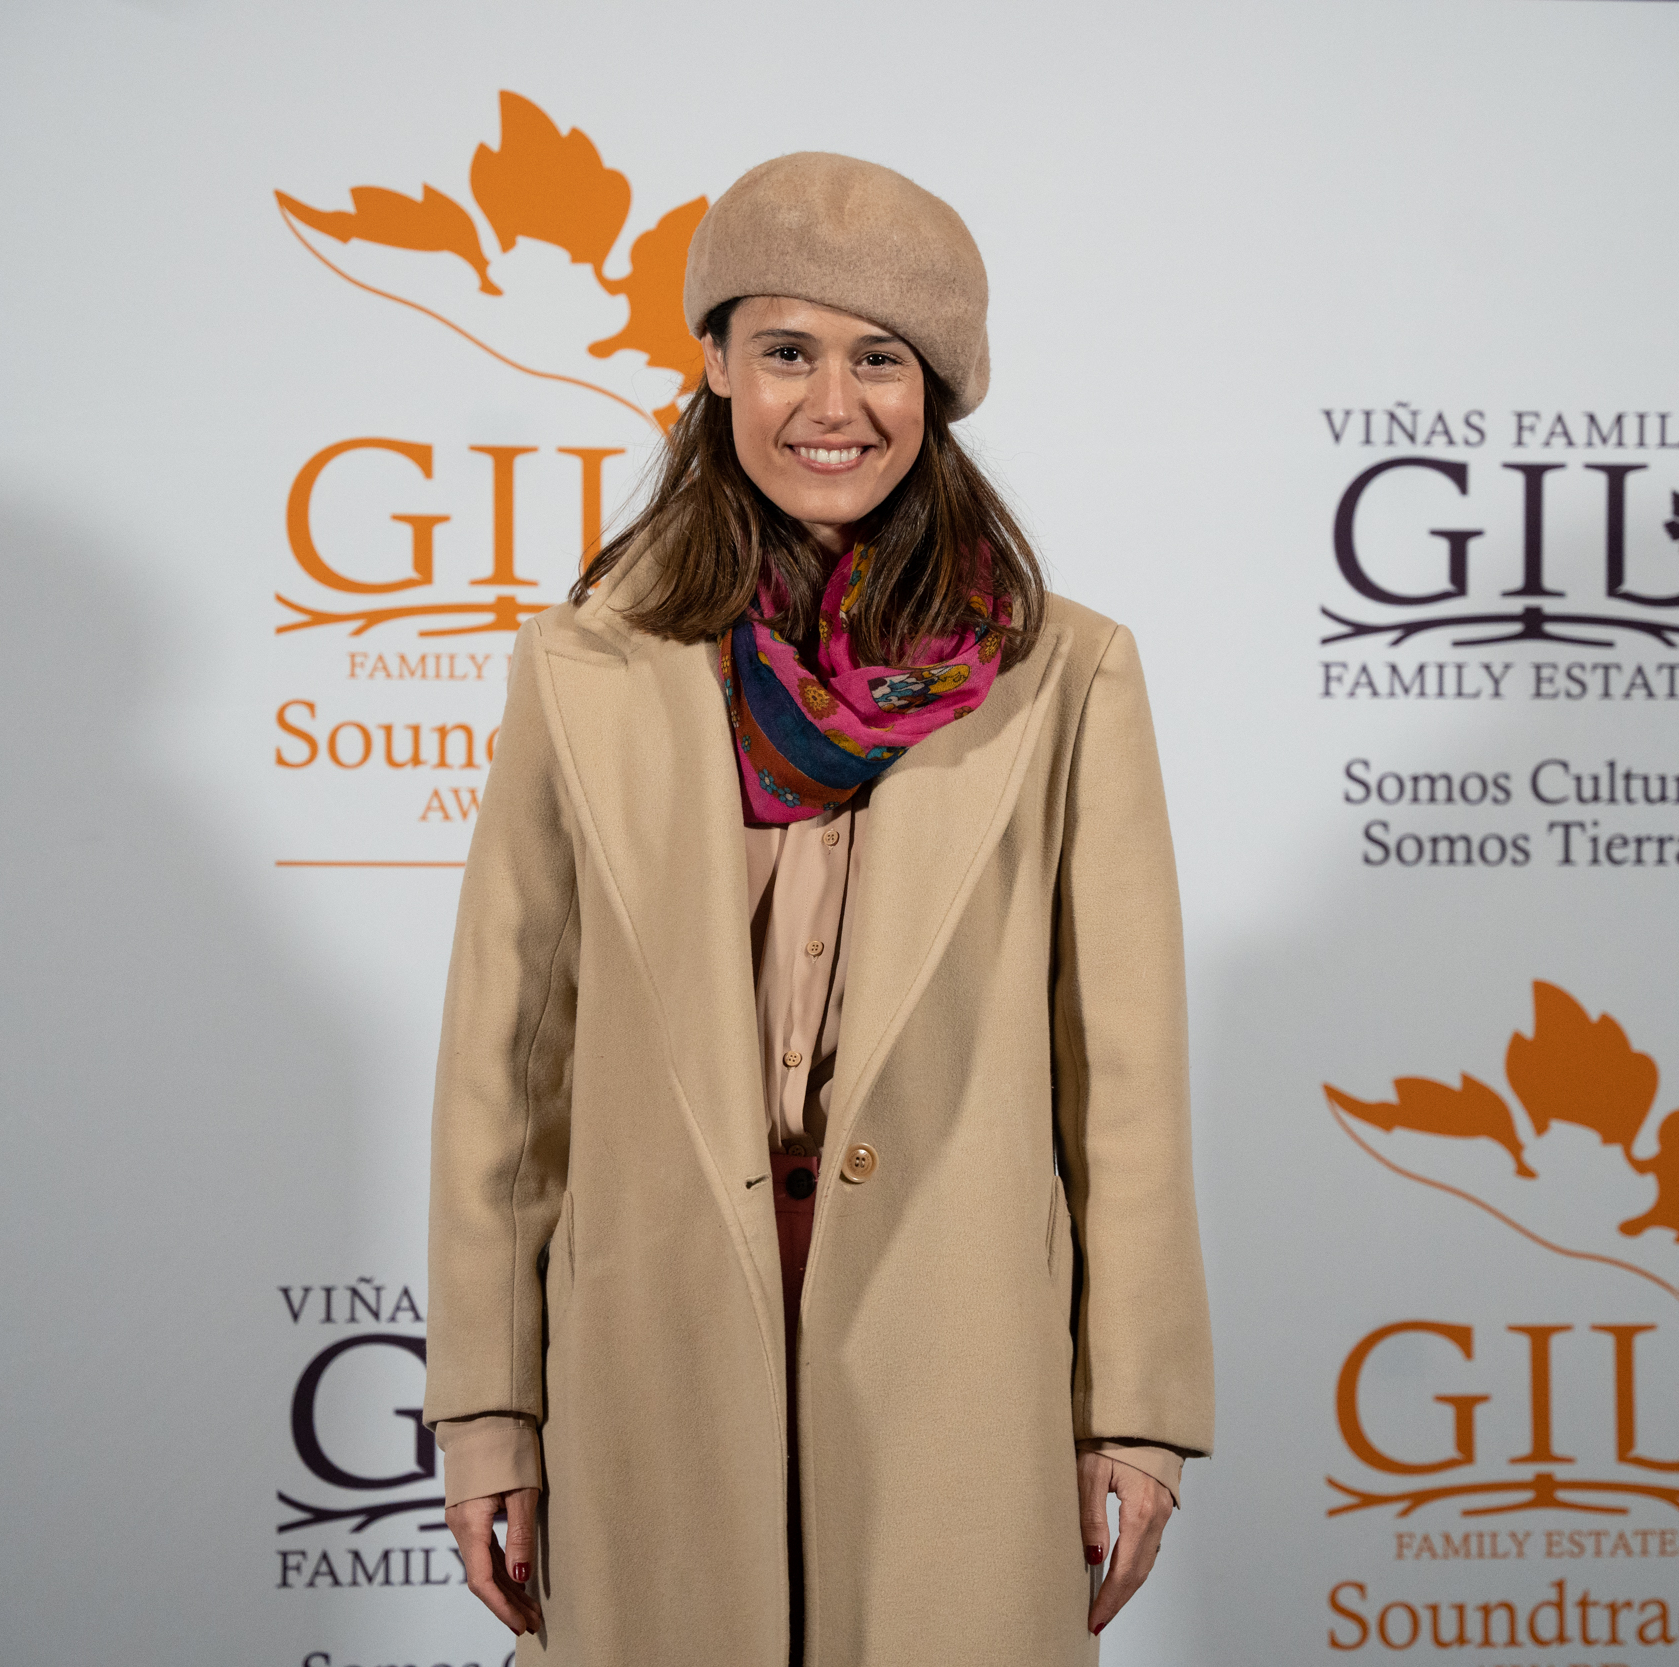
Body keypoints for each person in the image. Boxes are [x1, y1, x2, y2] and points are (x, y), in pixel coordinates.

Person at [427, 151, 1213, 1666]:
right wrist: (488, 1409)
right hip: (652, 1344)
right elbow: (506, 1070)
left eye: (882, 360)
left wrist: (1136, 1412)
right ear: (717, 363)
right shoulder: (584, 668)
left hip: (959, 1346)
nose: (832, 404)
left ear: (940, 392)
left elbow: (1122, 1080)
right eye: (787, 350)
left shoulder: (1065, 673)